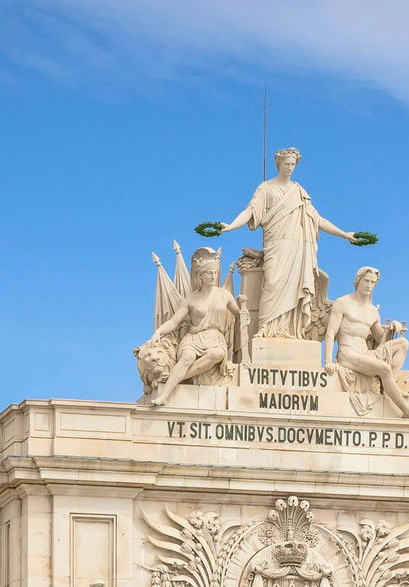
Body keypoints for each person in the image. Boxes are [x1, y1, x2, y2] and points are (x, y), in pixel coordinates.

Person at [215, 148, 363, 339]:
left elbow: (318, 219)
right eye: (287, 163)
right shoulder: (266, 188)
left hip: (297, 247)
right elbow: (250, 211)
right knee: (272, 282)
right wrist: (231, 226)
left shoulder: (299, 192)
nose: (290, 168)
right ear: (279, 164)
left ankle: (291, 331)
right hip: (276, 244)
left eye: (293, 164)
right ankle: (265, 328)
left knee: (295, 288)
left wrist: (344, 234)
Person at [324, 267, 409, 419]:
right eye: (366, 281)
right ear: (358, 281)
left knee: (403, 343)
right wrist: (328, 361)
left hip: (366, 354)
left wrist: (393, 327)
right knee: (384, 368)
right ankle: (406, 410)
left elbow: (381, 340)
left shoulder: (372, 311)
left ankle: (388, 387)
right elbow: (330, 333)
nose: (369, 285)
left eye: (373, 282)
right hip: (348, 354)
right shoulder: (342, 303)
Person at [146, 247, 241, 405]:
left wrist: (244, 308)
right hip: (194, 338)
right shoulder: (191, 299)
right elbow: (174, 322)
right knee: (188, 357)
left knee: (217, 353)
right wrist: (158, 331)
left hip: (215, 338)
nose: (213, 276)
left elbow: (239, 314)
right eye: (209, 273)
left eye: (215, 273)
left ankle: (174, 379)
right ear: (201, 275)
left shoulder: (224, 295)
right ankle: (164, 396)